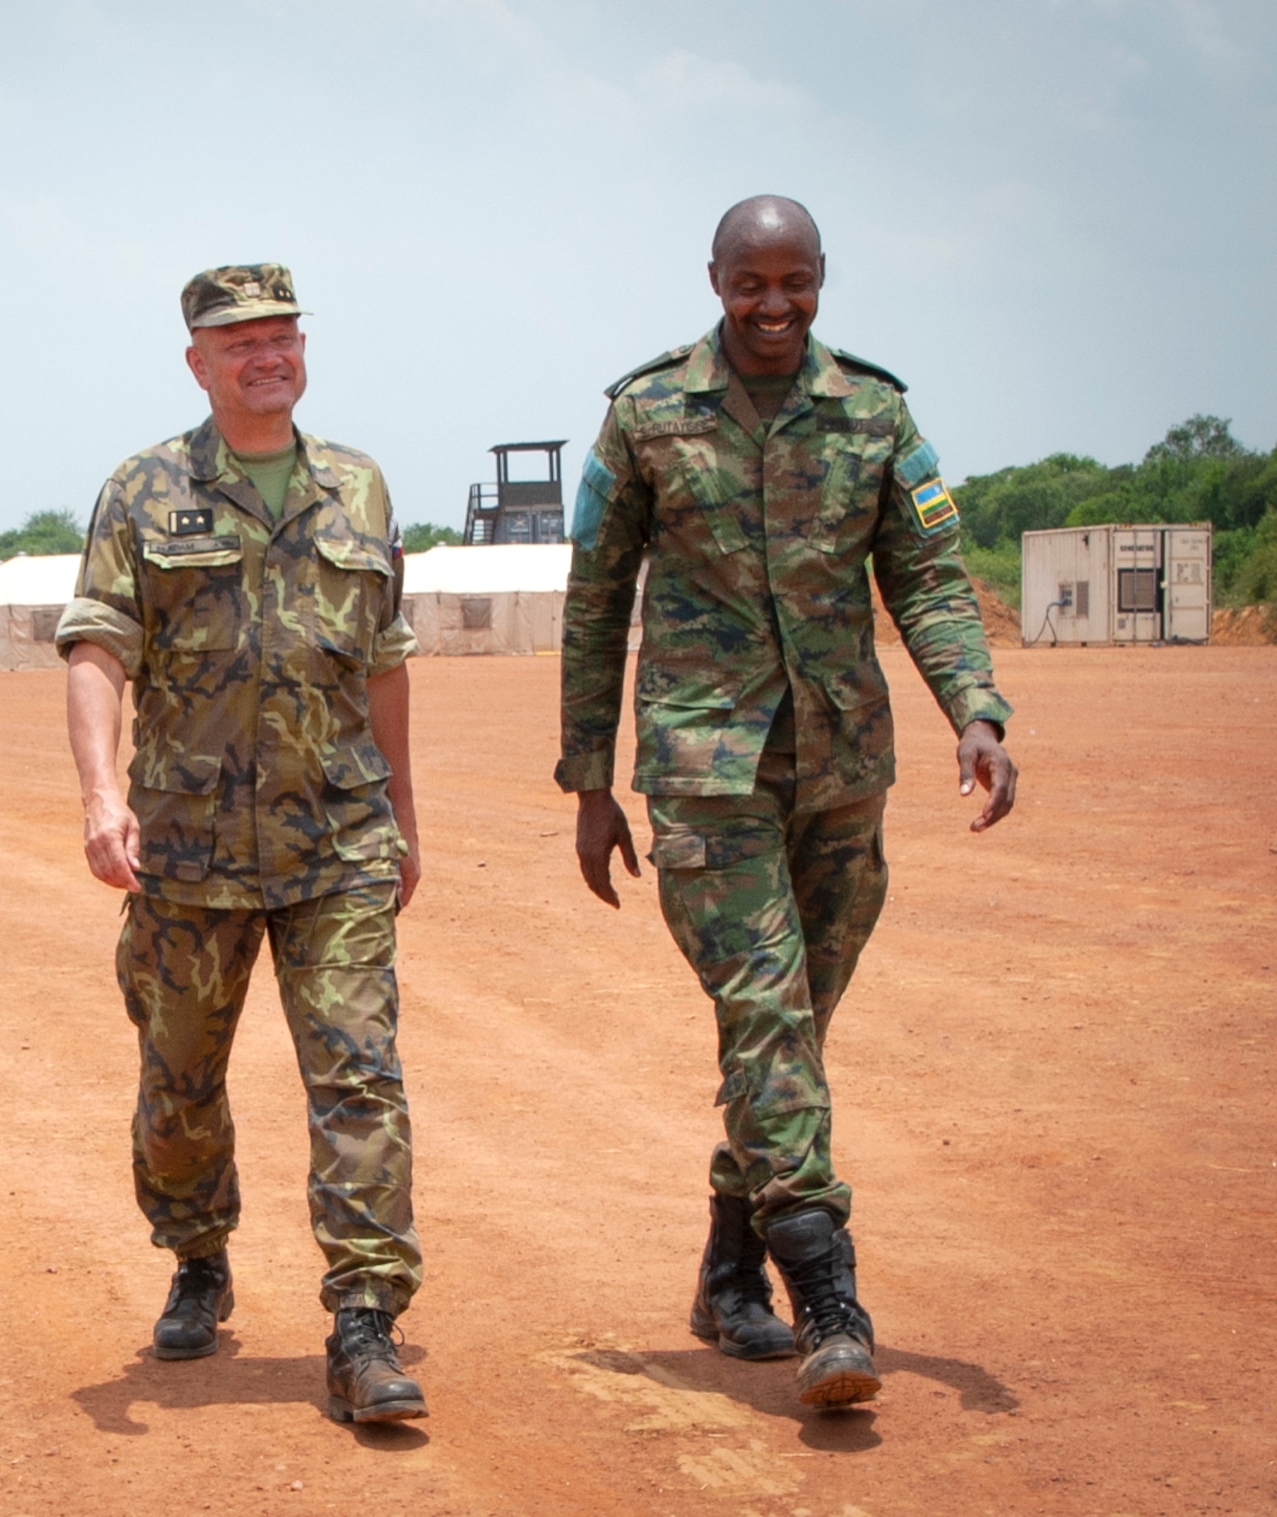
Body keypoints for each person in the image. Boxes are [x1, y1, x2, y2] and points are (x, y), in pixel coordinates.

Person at [558, 197, 1018, 1410]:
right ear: (712, 279)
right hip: (704, 771)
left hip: (838, 770)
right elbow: (594, 602)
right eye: (748, 283)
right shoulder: (647, 411)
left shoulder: (874, 410)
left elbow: (926, 573)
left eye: (794, 282)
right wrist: (588, 780)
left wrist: (973, 707)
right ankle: (828, 1296)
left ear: (820, 278)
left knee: (789, 1037)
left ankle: (725, 1267)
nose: (773, 306)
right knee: (765, 1018)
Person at [56, 264, 428, 1423]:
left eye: (281, 336)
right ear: (198, 362)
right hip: (187, 847)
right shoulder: (143, 487)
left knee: (357, 1073)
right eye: (238, 342)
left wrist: (405, 812)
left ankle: (363, 1318)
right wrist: (99, 793)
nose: (265, 356)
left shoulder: (357, 485)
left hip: (339, 839)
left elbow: (383, 657)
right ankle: (196, 1254)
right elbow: (96, 647)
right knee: (178, 1082)